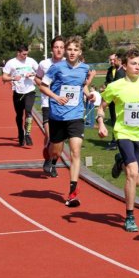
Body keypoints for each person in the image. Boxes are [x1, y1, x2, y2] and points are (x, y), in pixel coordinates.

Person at [97, 49, 139, 232]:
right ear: (124, 66)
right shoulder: (115, 87)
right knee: (132, 173)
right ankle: (130, 216)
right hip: (123, 133)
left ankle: (119, 161)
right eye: (134, 64)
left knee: (138, 180)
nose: (138, 67)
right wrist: (101, 123)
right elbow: (101, 106)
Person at [37, 36, 96, 207]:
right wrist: (56, 97)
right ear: (66, 51)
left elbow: (81, 86)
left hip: (76, 115)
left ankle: (72, 192)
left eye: (75, 50)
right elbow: (43, 85)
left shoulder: (85, 68)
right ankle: (50, 156)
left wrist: (88, 95)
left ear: (80, 52)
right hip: (58, 115)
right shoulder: (56, 68)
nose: (71, 52)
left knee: (75, 152)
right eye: (69, 49)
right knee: (56, 150)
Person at [35, 36, 65, 165]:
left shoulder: (69, 64)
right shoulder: (44, 64)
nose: (59, 50)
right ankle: (48, 158)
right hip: (47, 103)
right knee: (50, 134)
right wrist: (45, 86)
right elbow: (37, 78)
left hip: (64, 105)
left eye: (61, 47)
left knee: (60, 139)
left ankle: (53, 162)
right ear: (52, 49)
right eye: (56, 47)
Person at [2, 44, 39, 147]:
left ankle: (27, 134)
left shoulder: (31, 61)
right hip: (18, 93)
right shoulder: (11, 63)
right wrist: (13, 78)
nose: (25, 56)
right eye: (23, 54)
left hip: (30, 91)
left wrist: (32, 74)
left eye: (27, 54)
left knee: (28, 111)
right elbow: (4, 78)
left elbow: (40, 73)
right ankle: (20, 133)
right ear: (18, 53)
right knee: (19, 115)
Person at [101, 52, 125, 150]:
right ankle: (116, 139)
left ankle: (116, 141)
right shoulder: (110, 70)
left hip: (118, 99)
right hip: (111, 99)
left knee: (118, 120)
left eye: (113, 60)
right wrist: (105, 85)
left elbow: (116, 84)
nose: (112, 61)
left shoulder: (121, 70)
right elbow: (108, 81)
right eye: (110, 60)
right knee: (114, 120)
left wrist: (107, 87)